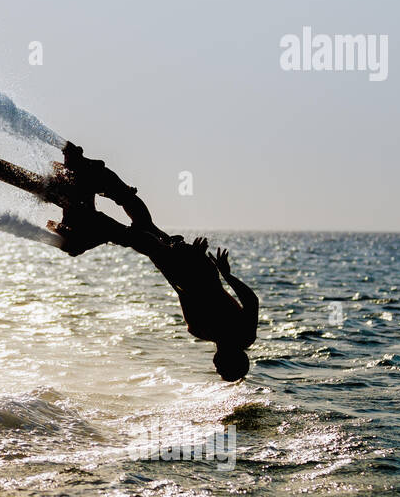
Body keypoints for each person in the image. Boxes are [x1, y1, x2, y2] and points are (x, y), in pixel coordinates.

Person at [44, 143, 258, 381]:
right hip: (192, 273)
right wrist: (219, 273)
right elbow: (249, 299)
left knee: (145, 229)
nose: (216, 369)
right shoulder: (237, 334)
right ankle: (90, 214)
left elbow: (186, 293)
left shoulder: (204, 331)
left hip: (187, 272)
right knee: (138, 237)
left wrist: (180, 261)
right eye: (222, 371)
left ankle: (101, 185)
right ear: (229, 362)